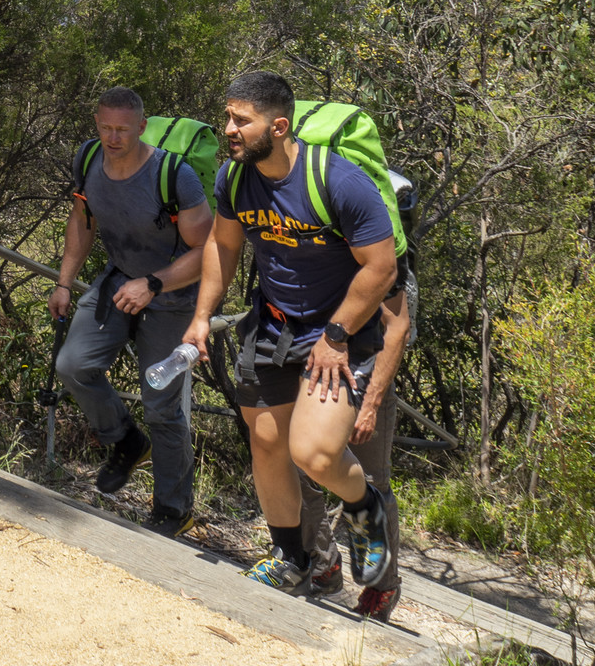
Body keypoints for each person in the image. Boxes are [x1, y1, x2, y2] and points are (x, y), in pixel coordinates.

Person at [182, 69, 398, 594]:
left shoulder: (340, 181)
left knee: (315, 454)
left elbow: (382, 269)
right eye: (227, 116)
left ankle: (365, 508)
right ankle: (289, 557)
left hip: (338, 335)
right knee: (267, 444)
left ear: (278, 126)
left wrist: (336, 336)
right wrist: (201, 317)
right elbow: (224, 245)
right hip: (273, 326)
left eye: (241, 120)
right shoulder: (234, 178)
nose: (228, 129)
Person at [46, 86, 211, 536]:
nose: (113, 137)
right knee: (74, 364)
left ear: (142, 126)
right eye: (105, 128)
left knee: (162, 407)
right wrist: (64, 281)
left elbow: (208, 251)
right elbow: (82, 220)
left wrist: (154, 283)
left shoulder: (173, 175)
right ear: (95, 123)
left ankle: (173, 510)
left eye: (123, 129)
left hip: (173, 296)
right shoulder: (88, 159)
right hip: (120, 280)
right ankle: (125, 441)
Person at [304, 275, 415, 620]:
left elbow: (397, 332)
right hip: (318, 371)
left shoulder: (386, 257)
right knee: (300, 463)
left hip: (367, 377)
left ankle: (383, 585)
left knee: (371, 482)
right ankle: (323, 563)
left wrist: (371, 403)